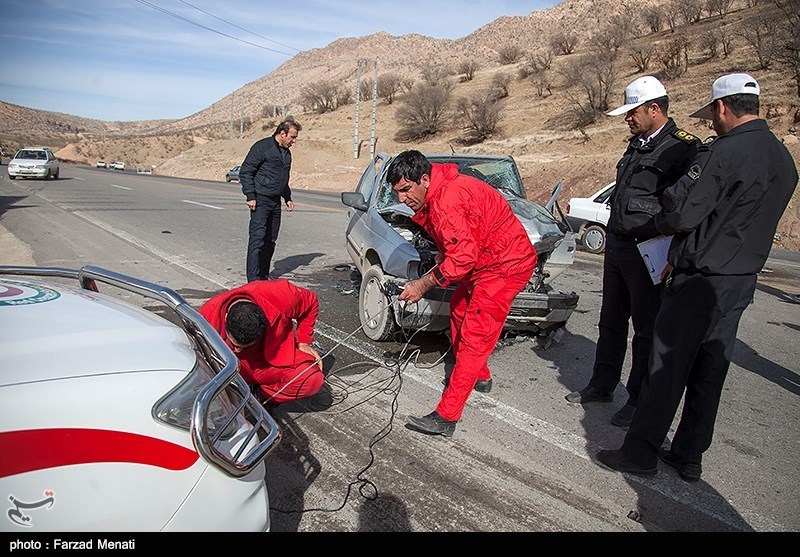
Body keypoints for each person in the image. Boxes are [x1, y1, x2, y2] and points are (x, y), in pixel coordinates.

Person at [597, 73, 798, 481]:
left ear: (722, 107)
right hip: (740, 279)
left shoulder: (720, 153)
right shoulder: (782, 157)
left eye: (712, 114)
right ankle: (689, 454)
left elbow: (683, 212)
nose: (711, 122)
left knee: (666, 366)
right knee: (711, 367)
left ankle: (640, 452)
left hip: (698, 276)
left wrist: (669, 217)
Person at [565, 76, 699, 428]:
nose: (628, 118)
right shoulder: (637, 144)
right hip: (619, 246)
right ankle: (602, 383)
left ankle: (638, 398)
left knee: (645, 330)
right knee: (611, 320)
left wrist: (673, 249)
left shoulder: (682, 148)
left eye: (633, 111)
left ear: (655, 109)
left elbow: (687, 206)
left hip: (650, 251)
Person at [387, 150, 537, 438]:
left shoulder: (447, 200)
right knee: (458, 309)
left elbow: (462, 258)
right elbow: (458, 243)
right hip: (483, 262)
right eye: (397, 192)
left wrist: (421, 284)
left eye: (406, 190)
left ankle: (446, 417)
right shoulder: (439, 191)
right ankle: (479, 376)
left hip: (504, 266)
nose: (402, 199)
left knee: (475, 336)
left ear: (424, 179)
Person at [199, 279, 325, 405]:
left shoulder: (281, 295)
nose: (238, 350)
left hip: (271, 359)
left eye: (246, 346)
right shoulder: (206, 316)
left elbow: (311, 301)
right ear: (226, 317)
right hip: (233, 366)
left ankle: (260, 397)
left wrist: (303, 341)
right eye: (235, 345)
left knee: (312, 379)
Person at [239, 118, 301, 282]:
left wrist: (287, 197)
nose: (294, 141)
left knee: (270, 240)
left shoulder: (287, 153)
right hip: (260, 200)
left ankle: (263, 275)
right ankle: (253, 279)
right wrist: (250, 195)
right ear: (282, 133)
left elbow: (283, 179)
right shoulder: (262, 147)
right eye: (292, 137)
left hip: (275, 202)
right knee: (257, 240)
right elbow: (246, 172)